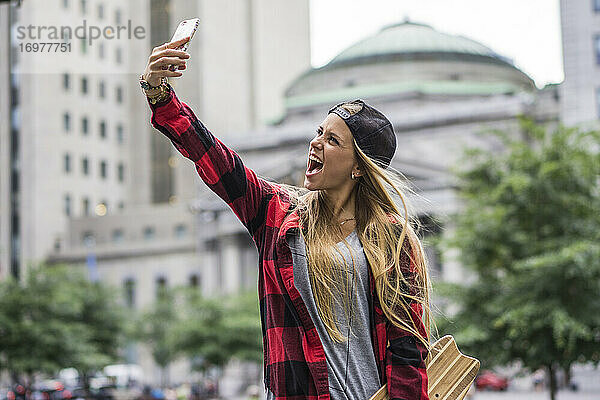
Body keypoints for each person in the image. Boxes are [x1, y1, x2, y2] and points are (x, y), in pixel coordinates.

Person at [140, 37, 433, 400]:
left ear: (359, 167)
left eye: (333, 141)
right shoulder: (277, 214)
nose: (315, 144)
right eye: (319, 133)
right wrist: (159, 93)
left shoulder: (392, 238)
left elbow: (408, 346)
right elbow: (212, 157)